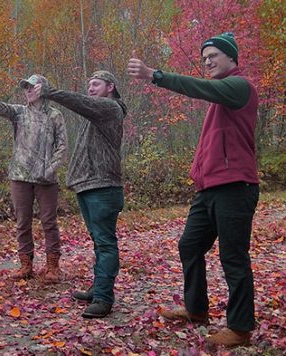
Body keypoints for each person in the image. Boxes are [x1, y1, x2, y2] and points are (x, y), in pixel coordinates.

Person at [127, 32, 259, 346]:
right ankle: (197, 310)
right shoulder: (220, 98)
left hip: (235, 187)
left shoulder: (240, 87)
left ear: (232, 58)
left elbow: (200, 88)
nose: (208, 61)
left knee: (233, 258)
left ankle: (240, 329)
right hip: (209, 188)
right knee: (189, 245)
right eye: (204, 58)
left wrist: (155, 76)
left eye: (213, 55)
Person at [34, 70, 127, 318]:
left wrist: (50, 91)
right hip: (88, 186)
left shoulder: (111, 108)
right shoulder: (96, 113)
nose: (90, 87)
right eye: (89, 84)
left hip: (104, 187)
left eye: (95, 84)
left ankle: (104, 298)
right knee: (99, 242)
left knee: (105, 243)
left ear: (110, 86)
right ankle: (98, 288)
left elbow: (81, 102)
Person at [0, 74, 67, 283]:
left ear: (43, 89)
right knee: (22, 222)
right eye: (26, 88)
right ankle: (25, 265)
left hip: (46, 179)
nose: (28, 91)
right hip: (20, 176)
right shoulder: (19, 113)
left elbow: (62, 146)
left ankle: (53, 267)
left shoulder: (55, 115)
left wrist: (49, 169)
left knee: (48, 222)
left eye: (32, 87)